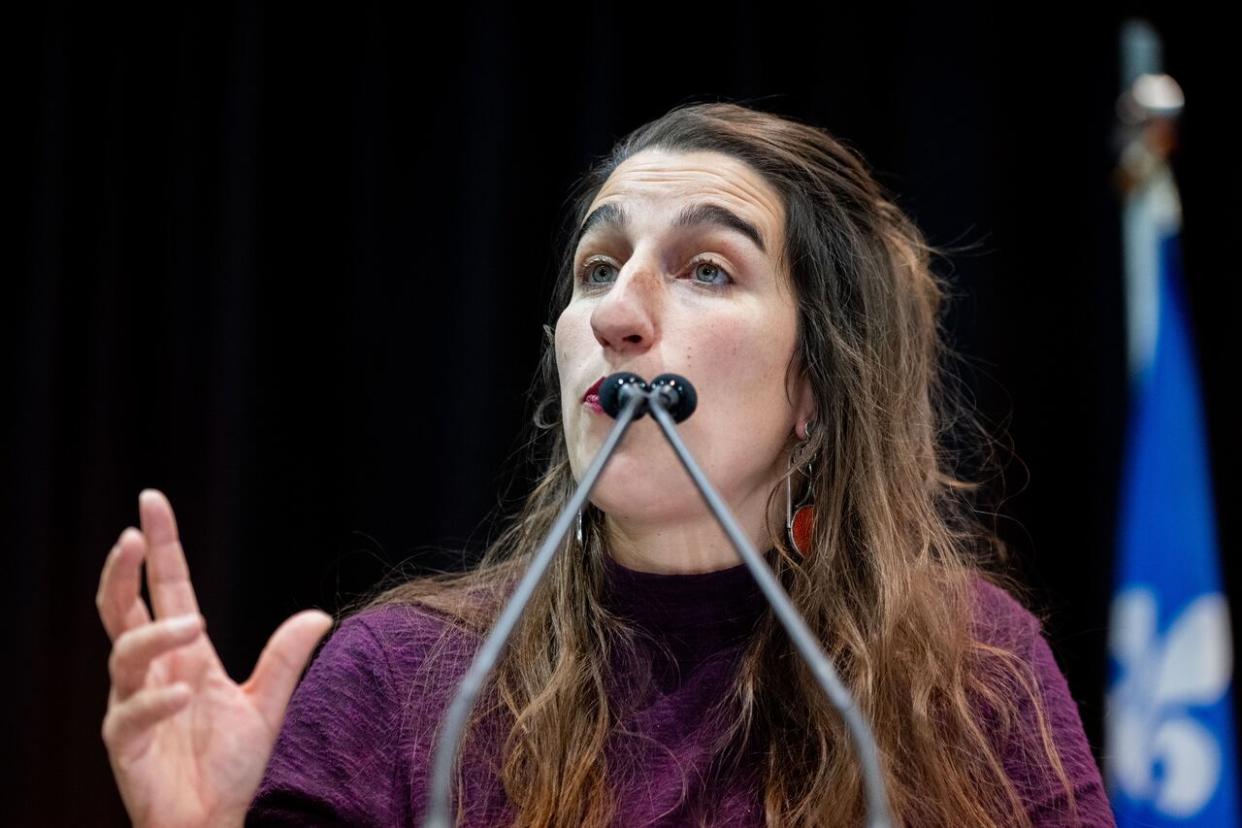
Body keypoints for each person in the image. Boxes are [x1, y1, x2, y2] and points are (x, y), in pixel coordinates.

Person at [98, 101, 1115, 826]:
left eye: (708, 269)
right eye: (597, 269)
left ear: (816, 387)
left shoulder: (971, 671)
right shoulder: (405, 683)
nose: (618, 314)